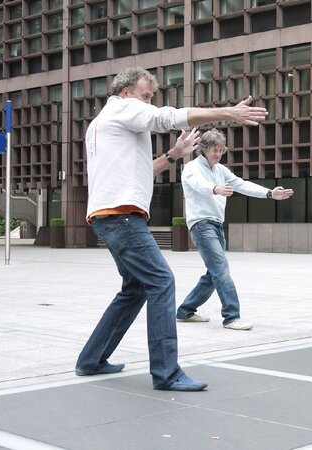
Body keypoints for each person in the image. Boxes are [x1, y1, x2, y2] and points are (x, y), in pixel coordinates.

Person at [75, 67, 267, 391]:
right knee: (162, 281)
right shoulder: (123, 108)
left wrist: (173, 155)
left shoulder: (102, 125)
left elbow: (141, 172)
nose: (149, 102)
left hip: (109, 216)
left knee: (135, 289)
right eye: (145, 95)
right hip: (123, 217)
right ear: (125, 93)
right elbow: (169, 117)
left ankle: (91, 359)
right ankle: (167, 373)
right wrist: (228, 112)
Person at [176, 128, 294, 331]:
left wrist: (269, 194)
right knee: (221, 271)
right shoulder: (192, 168)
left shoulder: (221, 170)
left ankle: (185, 311)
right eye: (214, 150)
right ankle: (231, 317)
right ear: (203, 149)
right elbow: (197, 184)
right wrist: (215, 189)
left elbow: (241, 184)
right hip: (201, 225)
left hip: (216, 225)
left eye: (221, 150)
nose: (218, 154)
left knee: (213, 274)